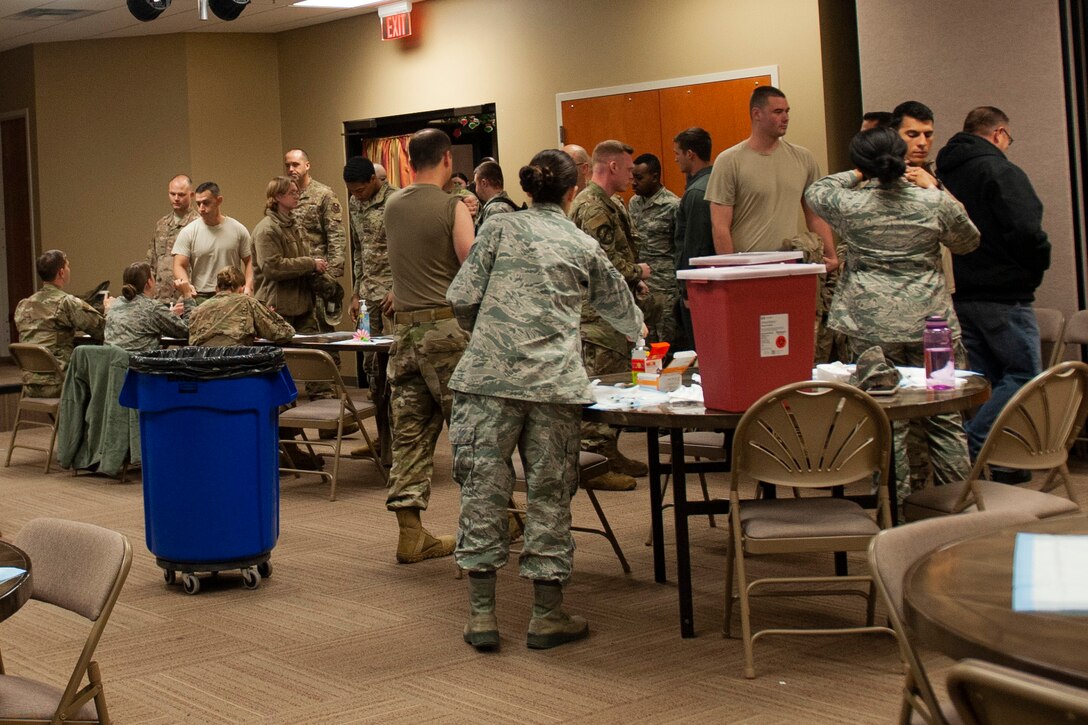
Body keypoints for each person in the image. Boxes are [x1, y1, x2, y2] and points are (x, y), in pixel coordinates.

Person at [449, 149, 644, 652]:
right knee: (550, 496)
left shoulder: (497, 228)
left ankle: (482, 616)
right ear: (572, 190)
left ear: (530, 187)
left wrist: (490, 340)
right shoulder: (580, 242)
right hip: (554, 388)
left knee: (483, 493)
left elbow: (461, 296)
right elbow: (624, 312)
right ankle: (545, 615)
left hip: (487, 381)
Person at [805, 127, 980, 510]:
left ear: (862, 166)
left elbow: (815, 192)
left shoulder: (850, 204)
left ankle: (898, 513)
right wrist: (933, 186)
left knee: (887, 422)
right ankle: (961, 511)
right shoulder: (931, 202)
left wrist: (859, 174)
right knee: (945, 419)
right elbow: (968, 241)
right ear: (902, 158)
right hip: (931, 326)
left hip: (870, 326)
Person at [937, 106, 1052, 478]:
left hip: (962, 292)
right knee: (1023, 376)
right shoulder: (1001, 170)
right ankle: (971, 445)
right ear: (999, 133)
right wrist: (1034, 269)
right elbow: (1026, 231)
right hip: (1004, 294)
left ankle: (1002, 466)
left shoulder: (942, 175)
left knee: (983, 383)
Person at [383, 127, 474, 564]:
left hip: (404, 336)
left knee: (411, 434)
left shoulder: (392, 205)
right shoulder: (453, 206)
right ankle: (502, 517)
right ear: (447, 160)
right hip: (446, 333)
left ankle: (411, 534)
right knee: (474, 430)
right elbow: (470, 269)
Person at [569, 139, 652, 491]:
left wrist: (632, 287)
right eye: (630, 169)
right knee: (601, 385)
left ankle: (609, 452)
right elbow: (602, 264)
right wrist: (638, 272)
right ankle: (594, 461)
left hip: (611, 311)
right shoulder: (593, 207)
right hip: (597, 315)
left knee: (616, 383)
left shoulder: (609, 203)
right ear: (613, 167)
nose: (633, 176)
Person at [705, 86, 838, 270]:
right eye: (778, 112)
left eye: (787, 111)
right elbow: (720, 226)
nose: (785, 118)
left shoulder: (803, 158)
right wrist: (731, 270)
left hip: (789, 265)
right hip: (748, 266)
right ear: (757, 114)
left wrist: (830, 254)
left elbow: (815, 214)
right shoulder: (729, 161)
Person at [344, 155, 394, 458]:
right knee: (370, 369)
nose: (357, 197)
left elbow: (407, 249)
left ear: (375, 181)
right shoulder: (353, 203)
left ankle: (400, 445)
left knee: (394, 372)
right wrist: (355, 293)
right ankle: (382, 441)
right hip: (365, 300)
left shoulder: (397, 201)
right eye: (352, 192)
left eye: (361, 190)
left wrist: (398, 287)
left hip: (391, 298)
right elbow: (359, 250)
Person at [14, 250, 110, 397]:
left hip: (30, 384)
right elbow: (102, 330)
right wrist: (108, 310)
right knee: (109, 375)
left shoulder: (23, 305)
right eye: (68, 266)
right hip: (59, 382)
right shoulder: (66, 303)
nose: (69, 269)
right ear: (61, 273)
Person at [252, 176, 327, 333]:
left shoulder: (295, 226)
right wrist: (310, 264)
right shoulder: (267, 229)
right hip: (278, 308)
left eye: (297, 192)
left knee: (311, 354)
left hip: (303, 306)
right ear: (278, 196)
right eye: (292, 192)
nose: (297, 196)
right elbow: (273, 267)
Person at [285, 148, 346, 331]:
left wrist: (331, 276)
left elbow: (335, 234)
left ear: (307, 165)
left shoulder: (323, 194)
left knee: (322, 329)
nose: (290, 169)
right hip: (296, 274)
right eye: (287, 165)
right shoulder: (286, 196)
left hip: (319, 275)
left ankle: (330, 360)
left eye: (295, 164)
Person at [628, 152, 680, 345]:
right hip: (641, 284)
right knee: (644, 339)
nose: (634, 183)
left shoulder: (672, 205)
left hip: (665, 285)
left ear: (655, 177)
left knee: (665, 340)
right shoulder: (633, 204)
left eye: (639, 178)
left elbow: (679, 245)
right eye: (632, 178)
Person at [172, 182, 254, 298]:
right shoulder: (188, 232)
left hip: (232, 294)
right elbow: (179, 264)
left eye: (206, 203)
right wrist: (187, 285)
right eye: (198, 203)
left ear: (219, 200)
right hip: (202, 295)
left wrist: (248, 286)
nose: (201, 208)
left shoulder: (238, 229)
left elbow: (250, 260)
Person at [672, 127, 714, 348]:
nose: (676, 159)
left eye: (677, 153)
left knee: (703, 348)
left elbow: (696, 246)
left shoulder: (698, 193)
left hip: (701, 290)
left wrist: (688, 291)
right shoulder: (716, 182)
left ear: (690, 154)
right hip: (709, 285)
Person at [188, 266, 295, 346]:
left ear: (217, 289)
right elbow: (284, 333)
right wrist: (269, 315)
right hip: (236, 367)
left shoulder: (197, 309)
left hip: (202, 368)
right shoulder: (247, 302)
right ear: (242, 289)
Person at [104, 262, 192, 352]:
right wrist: (187, 294)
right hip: (138, 364)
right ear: (149, 282)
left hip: (111, 363)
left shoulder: (115, 304)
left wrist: (170, 314)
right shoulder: (153, 308)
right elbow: (189, 330)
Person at [147, 174, 198, 303]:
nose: (176, 198)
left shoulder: (198, 225)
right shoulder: (162, 224)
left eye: (181, 195)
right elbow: (152, 261)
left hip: (186, 297)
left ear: (191, 195)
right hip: (160, 298)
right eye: (172, 194)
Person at [473, 160, 519, 231]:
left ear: (484, 183)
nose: (475, 189)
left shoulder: (495, 210)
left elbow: (494, 240)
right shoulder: (505, 204)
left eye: (476, 184)